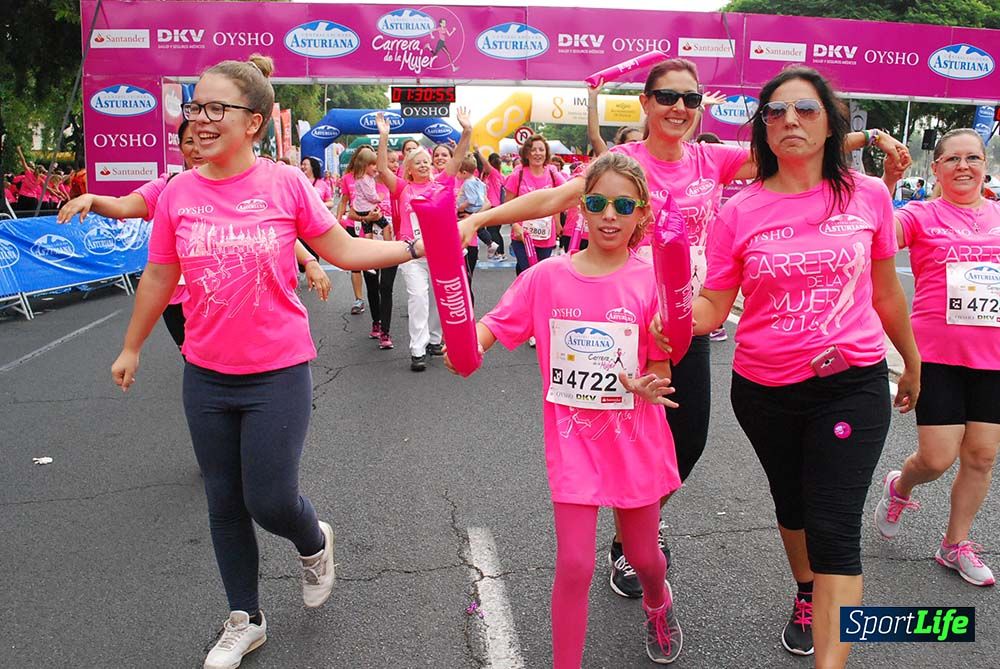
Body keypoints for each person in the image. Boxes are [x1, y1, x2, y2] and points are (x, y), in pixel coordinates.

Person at [461, 57, 911, 600]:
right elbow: (555, 199)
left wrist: (871, 138)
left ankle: (636, 528)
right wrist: (480, 218)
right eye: (667, 98)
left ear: (700, 109)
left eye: (690, 100)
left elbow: (797, 144)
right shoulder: (621, 160)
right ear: (646, 104)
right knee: (611, 428)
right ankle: (629, 538)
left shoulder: (711, 160)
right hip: (620, 321)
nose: (679, 108)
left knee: (687, 441)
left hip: (687, 322)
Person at [109, 55, 425, 669]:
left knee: (271, 499)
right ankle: (245, 618)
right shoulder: (177, 192)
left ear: (253, 123)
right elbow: (158, 274)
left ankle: (313, 540)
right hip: (205, 374)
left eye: (215, 108)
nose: (199, 119)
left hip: (277, 370)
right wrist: (132, 346)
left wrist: (416, 246)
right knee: (224, 500)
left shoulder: (284, 184)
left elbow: (343, 249)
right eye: (195, 106)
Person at [688, 66, 919, 666]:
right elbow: (714, 303)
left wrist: (913, 361)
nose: (790, 120)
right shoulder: (738, 210)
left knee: (836, 529)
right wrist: (663, 316)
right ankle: (805, 591)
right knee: (791, 503)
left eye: (806, 110)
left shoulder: (867, 194)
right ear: (762, 128)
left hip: (852, 383)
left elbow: (886, 289)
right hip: (765, 390)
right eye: (776, 112)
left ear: (830, 122)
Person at [447, 152, 683, 666]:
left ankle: (657, 601)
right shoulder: (547, 277)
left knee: (644, 557)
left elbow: (662, 372)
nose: (609, 215)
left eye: (624, 205)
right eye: (596, 202)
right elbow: (493, 325)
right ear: (579, 208)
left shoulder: (650, 282)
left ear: (642, 213)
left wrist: (647, 384)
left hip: (634, 441)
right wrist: (470, 344)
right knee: (574, 565)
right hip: (574, 444)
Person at [58, 120, 331, 348]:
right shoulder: (169, 186)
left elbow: (269, 236)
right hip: (178, 297)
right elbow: (123, 206)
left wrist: (310, 261)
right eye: (189, 142)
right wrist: (92, 199)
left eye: (201, 139)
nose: (197, 148)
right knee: (195, 360)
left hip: (224, 294)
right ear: (182, 148)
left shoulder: (244, 184)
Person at [874, 128, 1000, 587]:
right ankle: (900, 486)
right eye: (953, 159)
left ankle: (954, 544)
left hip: (994, 356)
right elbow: (875, 235)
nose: (964, 166)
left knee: (983, 456)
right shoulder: (921, 214)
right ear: (937, 168)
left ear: (985, 165)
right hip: (937, 354)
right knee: (937, 458)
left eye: (973, 158)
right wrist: (887, 182)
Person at [375, 109, 472, 371]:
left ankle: (434, 339)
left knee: (439, 298)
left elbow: (459, 157)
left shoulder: (442, 183)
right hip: (412, 253)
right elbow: (382, 168)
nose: (423, 164)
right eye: (416, 162)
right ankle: (417, 349)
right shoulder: (403, 189)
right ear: (408, 169)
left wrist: (467, 131)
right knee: (418, 296)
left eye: (425, 161)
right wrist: (384, 136)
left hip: (440, 253)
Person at [346, 147, 398, 349]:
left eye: (395, 162)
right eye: (388, 161)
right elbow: (352, 213)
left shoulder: (397, 186)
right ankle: (376, 323)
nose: (392, 165)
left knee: (386, 287)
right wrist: (366, 218)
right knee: (373, 286)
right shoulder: (363, 183)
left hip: (391, 244)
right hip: (367, 243)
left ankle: (385, 332)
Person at [505, 134, 566, 279]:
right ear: (527, 153)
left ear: (546, 153)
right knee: (529, 274)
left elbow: (564, 192)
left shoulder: (552, 172)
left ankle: (528, 300)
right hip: (522, 235)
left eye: (541, 150)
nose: (537, 153)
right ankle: (525, 300)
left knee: (540, 275)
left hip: (545, 235)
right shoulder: (518, 174)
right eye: (533, 150)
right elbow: (507, 205)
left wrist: (557, 223)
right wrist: (515, 225)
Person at [337, 146, 377, 315]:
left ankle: (377, 298)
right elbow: (344, 200)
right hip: (355, 225)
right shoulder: (347, 178)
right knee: (356, 265)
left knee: (373, 264)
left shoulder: (375, 177)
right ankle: (359, 300)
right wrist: (338, 220)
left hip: (374, 226)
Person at [481, 152, 507, 260]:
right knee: (494, 230)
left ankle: (499, 253)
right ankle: (499, 253)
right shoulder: (497, 175)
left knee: (493, 230)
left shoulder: (494, 173)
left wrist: (478, 152)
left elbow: (486, 165)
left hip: (494, 205)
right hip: (494, 206)